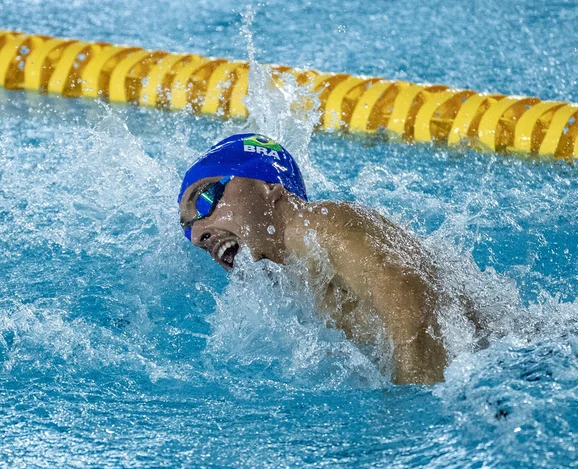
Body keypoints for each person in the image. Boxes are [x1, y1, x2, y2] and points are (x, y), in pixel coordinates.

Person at [178, 133, 483, 384]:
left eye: (204, 200)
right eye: (188, 227)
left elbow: (407, 293)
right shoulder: (291, 274)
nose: (196, 236)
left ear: (267, 185)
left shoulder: (313, 224)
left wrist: (411, 409)